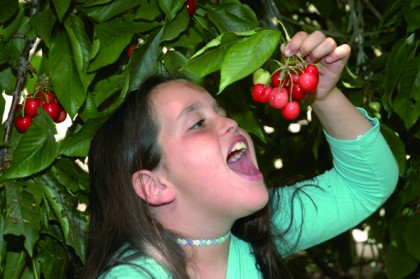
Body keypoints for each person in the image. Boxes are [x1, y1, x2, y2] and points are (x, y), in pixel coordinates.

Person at [80, 31, 399, 279]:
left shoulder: (254, 231)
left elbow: (367, 184)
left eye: (221, 111)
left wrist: (322, 93)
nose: (231, 122)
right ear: (155, 186)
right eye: (197, 123)